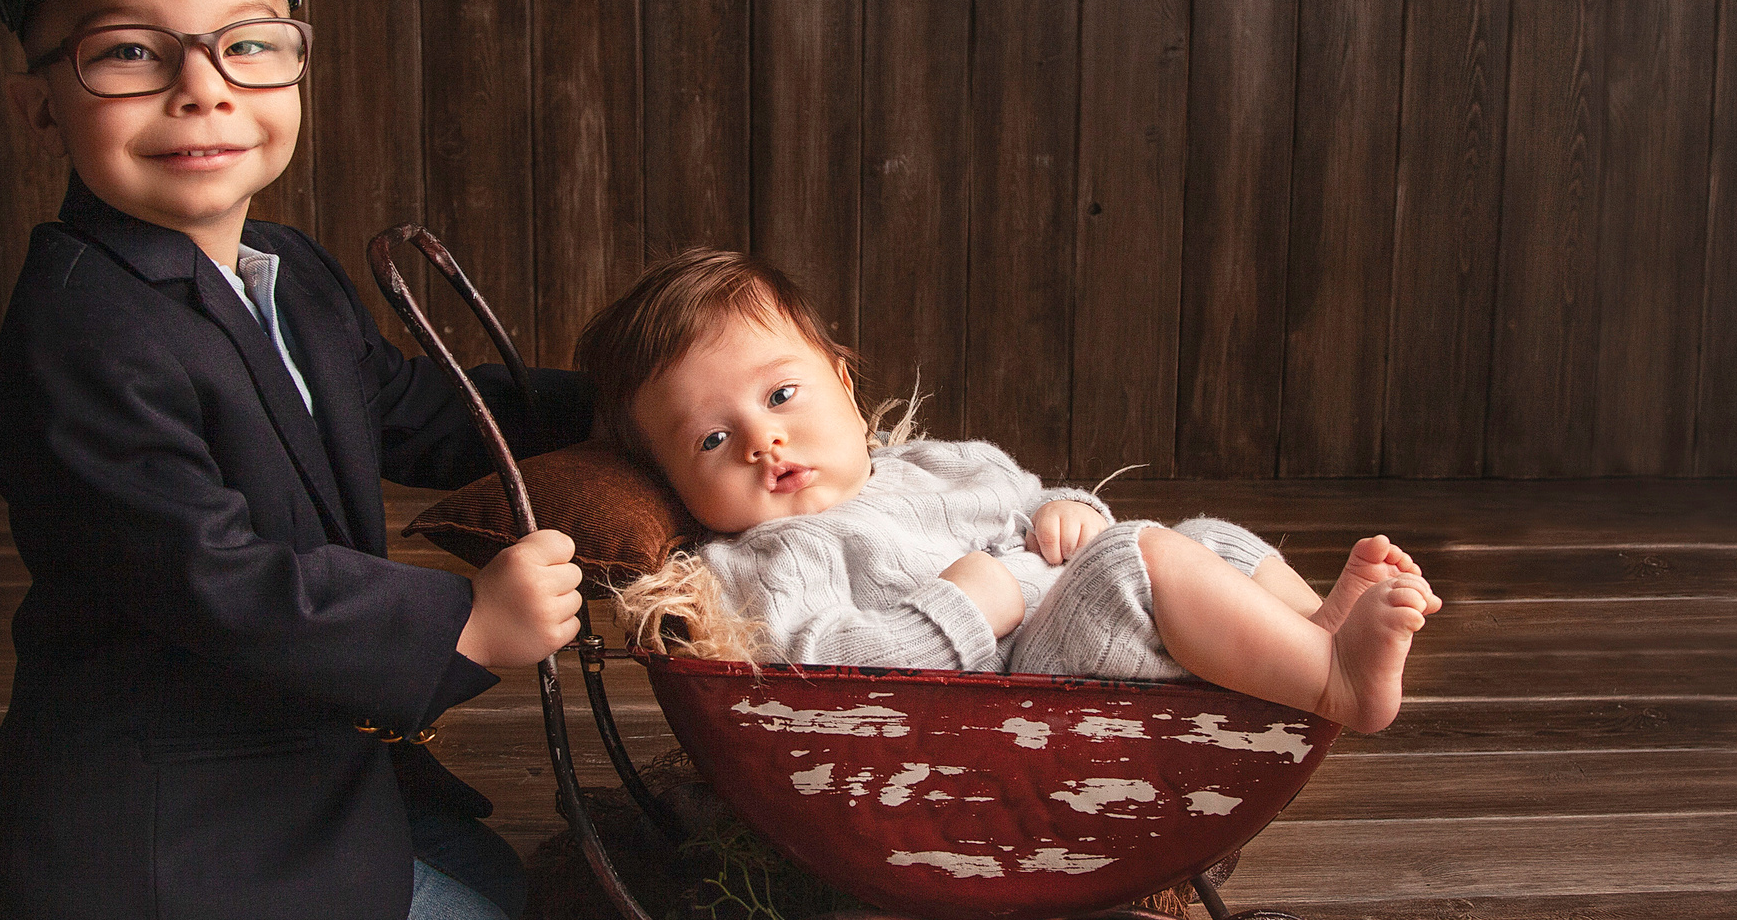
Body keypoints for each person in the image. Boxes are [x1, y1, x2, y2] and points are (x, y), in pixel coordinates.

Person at [0, 0, 591, 920]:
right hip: (167, 805)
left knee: (494, 878)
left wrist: (637, 410)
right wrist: (464, 624)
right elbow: (218, 577)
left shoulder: (286, 273)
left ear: (297, 64)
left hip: (271, 756)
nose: (201, 93)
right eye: (129, 54)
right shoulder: (85, 337)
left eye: (247, 46)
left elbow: (420, 413)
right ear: (40, 106)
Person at [574, 250, 1440, 733]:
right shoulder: (759, 561)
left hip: (1079, 635)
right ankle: (1336, 687)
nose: (764, 439)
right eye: (713, 439)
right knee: (1140, 558)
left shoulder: (939, 467)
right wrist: (962, 605)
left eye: (781, 394)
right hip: (1014, 701)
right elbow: (825, 673)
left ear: (843, 381)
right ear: (672, 482)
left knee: (1208, 538)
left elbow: (1034, 505)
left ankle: (1311, 635)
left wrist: (1071, 511)